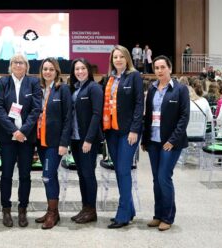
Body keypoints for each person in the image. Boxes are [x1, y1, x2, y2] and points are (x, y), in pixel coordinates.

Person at [141, 55, 190, 231]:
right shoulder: (152, 89)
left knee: (164, 177)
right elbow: (147, 117)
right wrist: (145, 139)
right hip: (153, 141)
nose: (159, 71)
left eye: (163, 67)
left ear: (169, 68)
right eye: (156, 68)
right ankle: (158, 215)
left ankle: (168, 217)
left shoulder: (180, 89)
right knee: (156, 179)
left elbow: (184, 118)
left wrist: (172, 140)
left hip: (170, 143)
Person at [0, 53, 42, 227]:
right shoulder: (3, 82)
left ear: (27, 66)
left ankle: (23, 209)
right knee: (6, 175)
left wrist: (23, 132)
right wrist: (14, 131)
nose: (18, 65)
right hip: (8, 138)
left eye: (21, 62)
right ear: (10, 65)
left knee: (25, 176)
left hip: (26, 139)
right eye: (15, 62)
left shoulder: (33, 83)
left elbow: (36, 109)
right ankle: (6, 209)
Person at [103, 45, 144, 229]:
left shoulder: (134, 76)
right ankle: (130, 209)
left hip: (128, 132)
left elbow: (138, 104)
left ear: (127, 58)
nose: (117, 60)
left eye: (121, 56)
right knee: (120, 171)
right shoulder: (109, 78)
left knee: (123, 170)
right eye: (115, 57)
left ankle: (122, 214)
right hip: (111, 131)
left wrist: (135, 129)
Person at [35, 57, 71, 229]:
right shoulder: (39, 89)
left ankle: (52, 214)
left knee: (47, 176)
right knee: (50, 176)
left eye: (51, 69)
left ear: (57, 71)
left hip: (55, 142)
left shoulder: (62, 89)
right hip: (40, 141)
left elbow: (68, 118)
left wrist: (64, 142)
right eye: (45, 69)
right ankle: (52, 210)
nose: (47, 72)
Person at [69, 58, 103, 224]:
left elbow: (97, 115)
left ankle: (92, 210)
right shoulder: (74, 89)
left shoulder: (94, 88)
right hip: (75, 139)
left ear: (88, 70)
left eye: (83, 68)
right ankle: (85, 208)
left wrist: (89, 139)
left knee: (88, 174)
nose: (80, 71)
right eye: (77, 69)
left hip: (87, 140)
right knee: (81, 174)